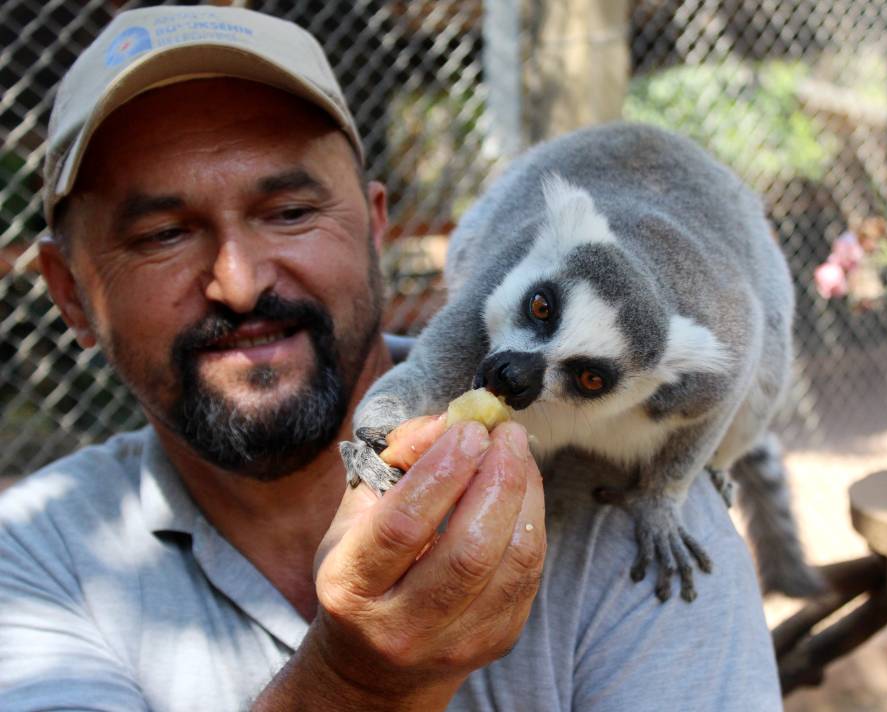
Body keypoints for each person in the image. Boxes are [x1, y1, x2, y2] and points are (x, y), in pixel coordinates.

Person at [0, 5, 781, 711]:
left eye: (291, 211)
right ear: (69, 294)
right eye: (163, 234)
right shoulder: (34, 561)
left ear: (377, 228)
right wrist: (357, 685)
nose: (238, 283)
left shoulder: (620, 516)